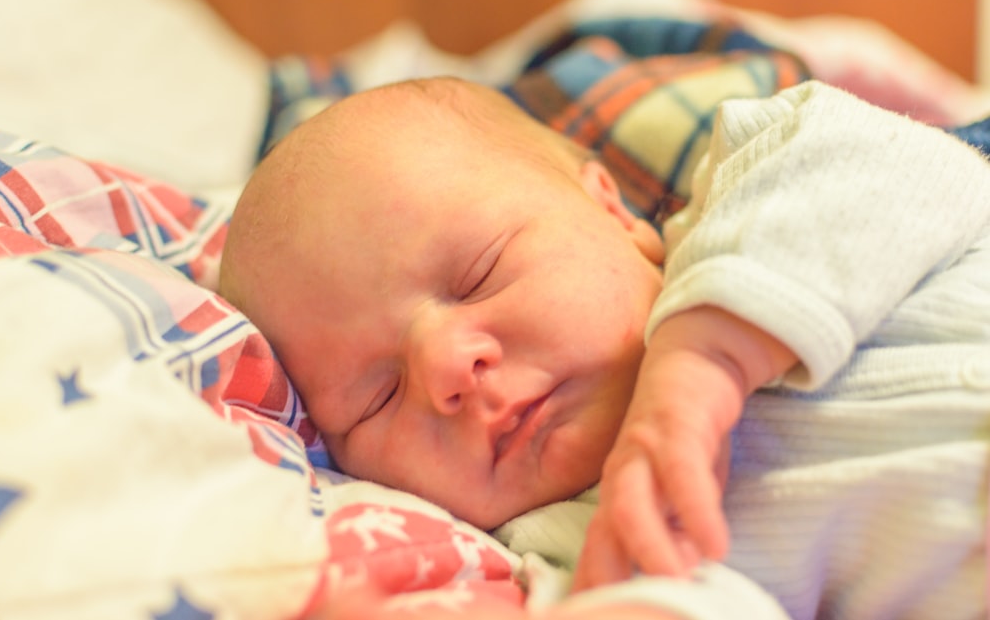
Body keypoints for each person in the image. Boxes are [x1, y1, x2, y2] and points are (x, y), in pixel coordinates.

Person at [219, 76, 990, 620]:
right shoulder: (567, 542)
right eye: (376, 396)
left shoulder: (753, 187)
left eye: (479, 273)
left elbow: (919, 175)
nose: (448, 367)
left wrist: (704, 359)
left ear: (613, 212)